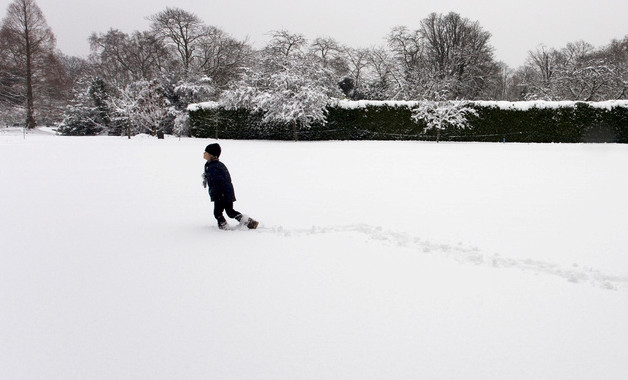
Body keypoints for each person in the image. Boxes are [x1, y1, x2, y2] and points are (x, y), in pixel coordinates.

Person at [202, 143, 258, 230]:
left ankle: (223, 227)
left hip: (221, 194)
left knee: (217, 213)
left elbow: (219, 181)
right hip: (227, 192)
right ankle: (249, 222)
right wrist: (205, 178)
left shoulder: (213, 167)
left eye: (206, 152)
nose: (204, 153)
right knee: (230, 212)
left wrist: (218, 193)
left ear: (211, 155)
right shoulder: (212, 165)